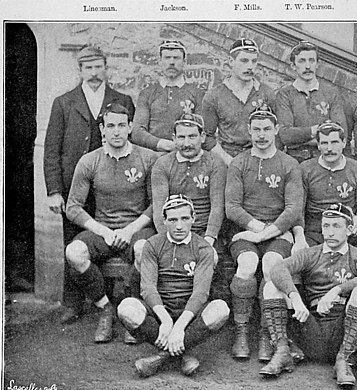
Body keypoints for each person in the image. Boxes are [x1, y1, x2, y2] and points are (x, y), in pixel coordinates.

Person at [43, 45, 135, 325]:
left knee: (111, 239)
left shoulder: (121, 99)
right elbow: (51, 148)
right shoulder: (64, 102)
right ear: (80, 70)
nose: (94, 73)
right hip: (76, 187)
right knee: (74, 242)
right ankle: (73, 303)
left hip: (111, 184)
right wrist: (55, 190)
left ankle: (115, 300)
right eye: (88, 67)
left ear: (106, 67)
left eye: (98, 66)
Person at [64, 104, 157, 343]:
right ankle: (105, 307)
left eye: (122, 125)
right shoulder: (89, 161)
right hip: (103, 229)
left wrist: (130, 230)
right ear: (102, 129)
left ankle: (132, 312)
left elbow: (158, 204)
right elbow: (73, 207)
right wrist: (103, 231)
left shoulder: (147, 158)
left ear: (130, 127)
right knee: (74, 253)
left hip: (135, 228)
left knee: (143, 250)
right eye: (111, 126)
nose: (116, 131)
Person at [260, 203, 357, 389]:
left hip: (343, 328)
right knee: (271, 287)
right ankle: (282, 352)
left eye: (336, 226)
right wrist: (295, 297)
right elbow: (278, 268)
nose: (330, 232)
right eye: (326, 226)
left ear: (349, 230)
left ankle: (344, 360)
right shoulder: (311, 253)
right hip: (311, 327)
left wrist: (337, 290)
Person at [117, 195, 230, 377]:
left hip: (190, 313)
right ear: (164, 221)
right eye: (173, 219)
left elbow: (200, 293)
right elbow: (148, 288)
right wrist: (167, 321)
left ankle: (163, 356)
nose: (179, 225)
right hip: (160, 310)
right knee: (126, 309)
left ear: (193, 219)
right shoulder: (152, 245)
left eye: (185, 218)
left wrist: (178, 327)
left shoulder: (203, 248)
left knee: (221, 310)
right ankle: (181, 354)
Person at [225, 104, 303, 360]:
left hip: (278, 231)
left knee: (272, 264)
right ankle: (241, 330)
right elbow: (232, 207)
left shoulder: (289, 163)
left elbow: (293, 209)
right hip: (246, 231)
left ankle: (267, 333)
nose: (261, 134)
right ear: (249, 130)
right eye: (256, 129)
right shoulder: (239, 162)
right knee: (247, 262)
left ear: (276, 130)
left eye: (267, 129)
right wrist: (257, 230)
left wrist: (268, 233)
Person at [150, 113, 228, 301]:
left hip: (203, 230)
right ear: (174, 138)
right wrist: (169, 239)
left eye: (192, 136)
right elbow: (160, 209)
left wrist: (208, 238)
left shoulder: (215, 163)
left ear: (202, 137)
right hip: (173, 231)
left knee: (212, 257)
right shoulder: (163, 164)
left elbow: (218, 207)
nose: (187, 143)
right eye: (182, 137)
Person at [202, 38, 278, 165]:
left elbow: (276, 132)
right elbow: (207, 138)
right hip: (227, 158)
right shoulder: (214, 96)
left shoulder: (266, 93)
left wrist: (266, 158)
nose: (249, 67)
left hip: (260, 156)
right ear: (231, 62)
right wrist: (229, 161)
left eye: (254, 61)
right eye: (244, 61)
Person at [294, 121, 357, 250]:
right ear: (318, 145)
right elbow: (298, 210)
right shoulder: (305, 169)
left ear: (344, 143)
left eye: (334, 142)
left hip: (347, 232)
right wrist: (299, 238)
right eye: (324, 143)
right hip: (315, 233)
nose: (329, 148)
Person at [276, 40, 347, 163]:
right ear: (293, 66)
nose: (307, 66)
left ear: (317, 64)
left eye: (311, 61)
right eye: (302, 61)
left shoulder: (331, 93)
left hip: (325, 159)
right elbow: (285, 135)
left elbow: (340, 132)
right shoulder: (285, 95)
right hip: (295, 160)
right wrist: (317, 130)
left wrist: (298, 138)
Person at [132, 40, 205, 153]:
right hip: (153, 155)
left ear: (184, 61)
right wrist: (164, 145)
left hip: (186, 154)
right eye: (167, 58)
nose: (171, 62)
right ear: (160, 61)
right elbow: (137, 132)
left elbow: (202, 130)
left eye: (176, 58)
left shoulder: (197, 94)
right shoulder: (147, 93)